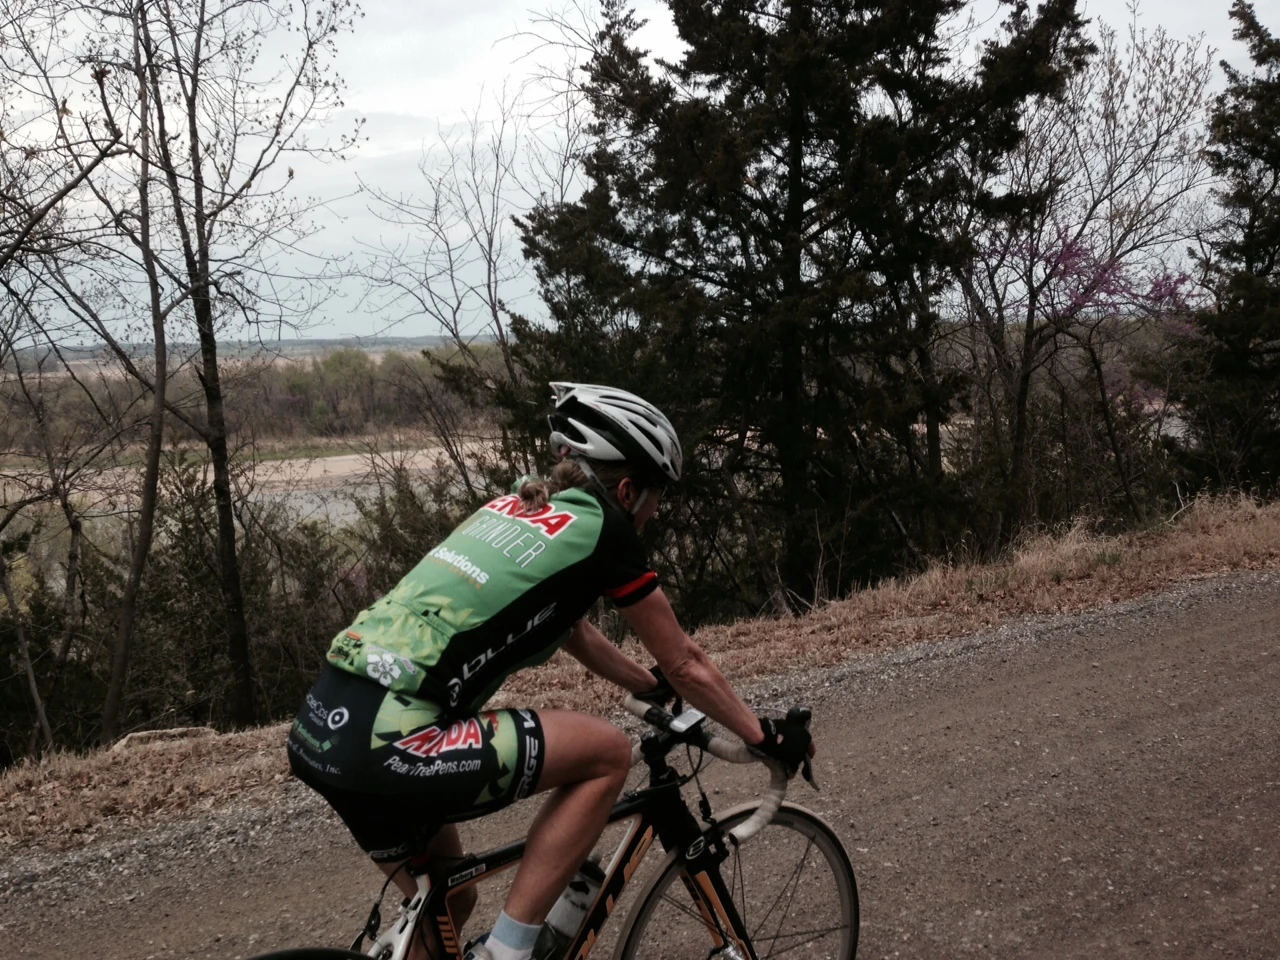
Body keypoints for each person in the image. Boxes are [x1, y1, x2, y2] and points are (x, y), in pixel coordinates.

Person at [287, 382, 815, 960]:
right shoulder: (605, 527)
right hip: (395, 734)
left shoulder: (516, 508)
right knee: (608, 753)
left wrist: (646, 686)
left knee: (447, 907)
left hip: (323, 728)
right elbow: (685, 661)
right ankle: (510, 951)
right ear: (628, 488)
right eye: (656, 497)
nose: (654, 513)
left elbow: (570, 631)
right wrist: (764, 736)